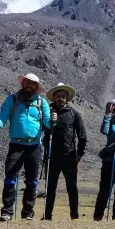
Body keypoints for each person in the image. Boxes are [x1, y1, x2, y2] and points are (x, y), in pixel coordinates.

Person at [0, 73, 50, 221]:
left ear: (36, 87)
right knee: (10, 177)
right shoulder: (12, 99)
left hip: (35, 146)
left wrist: (53, 121)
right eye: (27, 82)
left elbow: (48, 123)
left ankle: (28, 213)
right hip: (16, 144)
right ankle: (7, 212)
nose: (29, 85)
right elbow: (3, 118)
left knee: (32, 180)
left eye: (33, 84)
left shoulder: (42, 103)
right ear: (22, 83)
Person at [42, 83, 87, 220]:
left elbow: (82, 136)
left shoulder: (74, 114)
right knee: (50, 187)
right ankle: (47, 216)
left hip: (69, 156)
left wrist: (79, 154)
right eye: (58, 96)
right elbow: (41, 131)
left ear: (67, 98)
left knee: (72, 187)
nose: (61, 99)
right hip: (51, 156)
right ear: (54, 98)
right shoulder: (47, 113)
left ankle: (74, 215)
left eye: (63, 96)